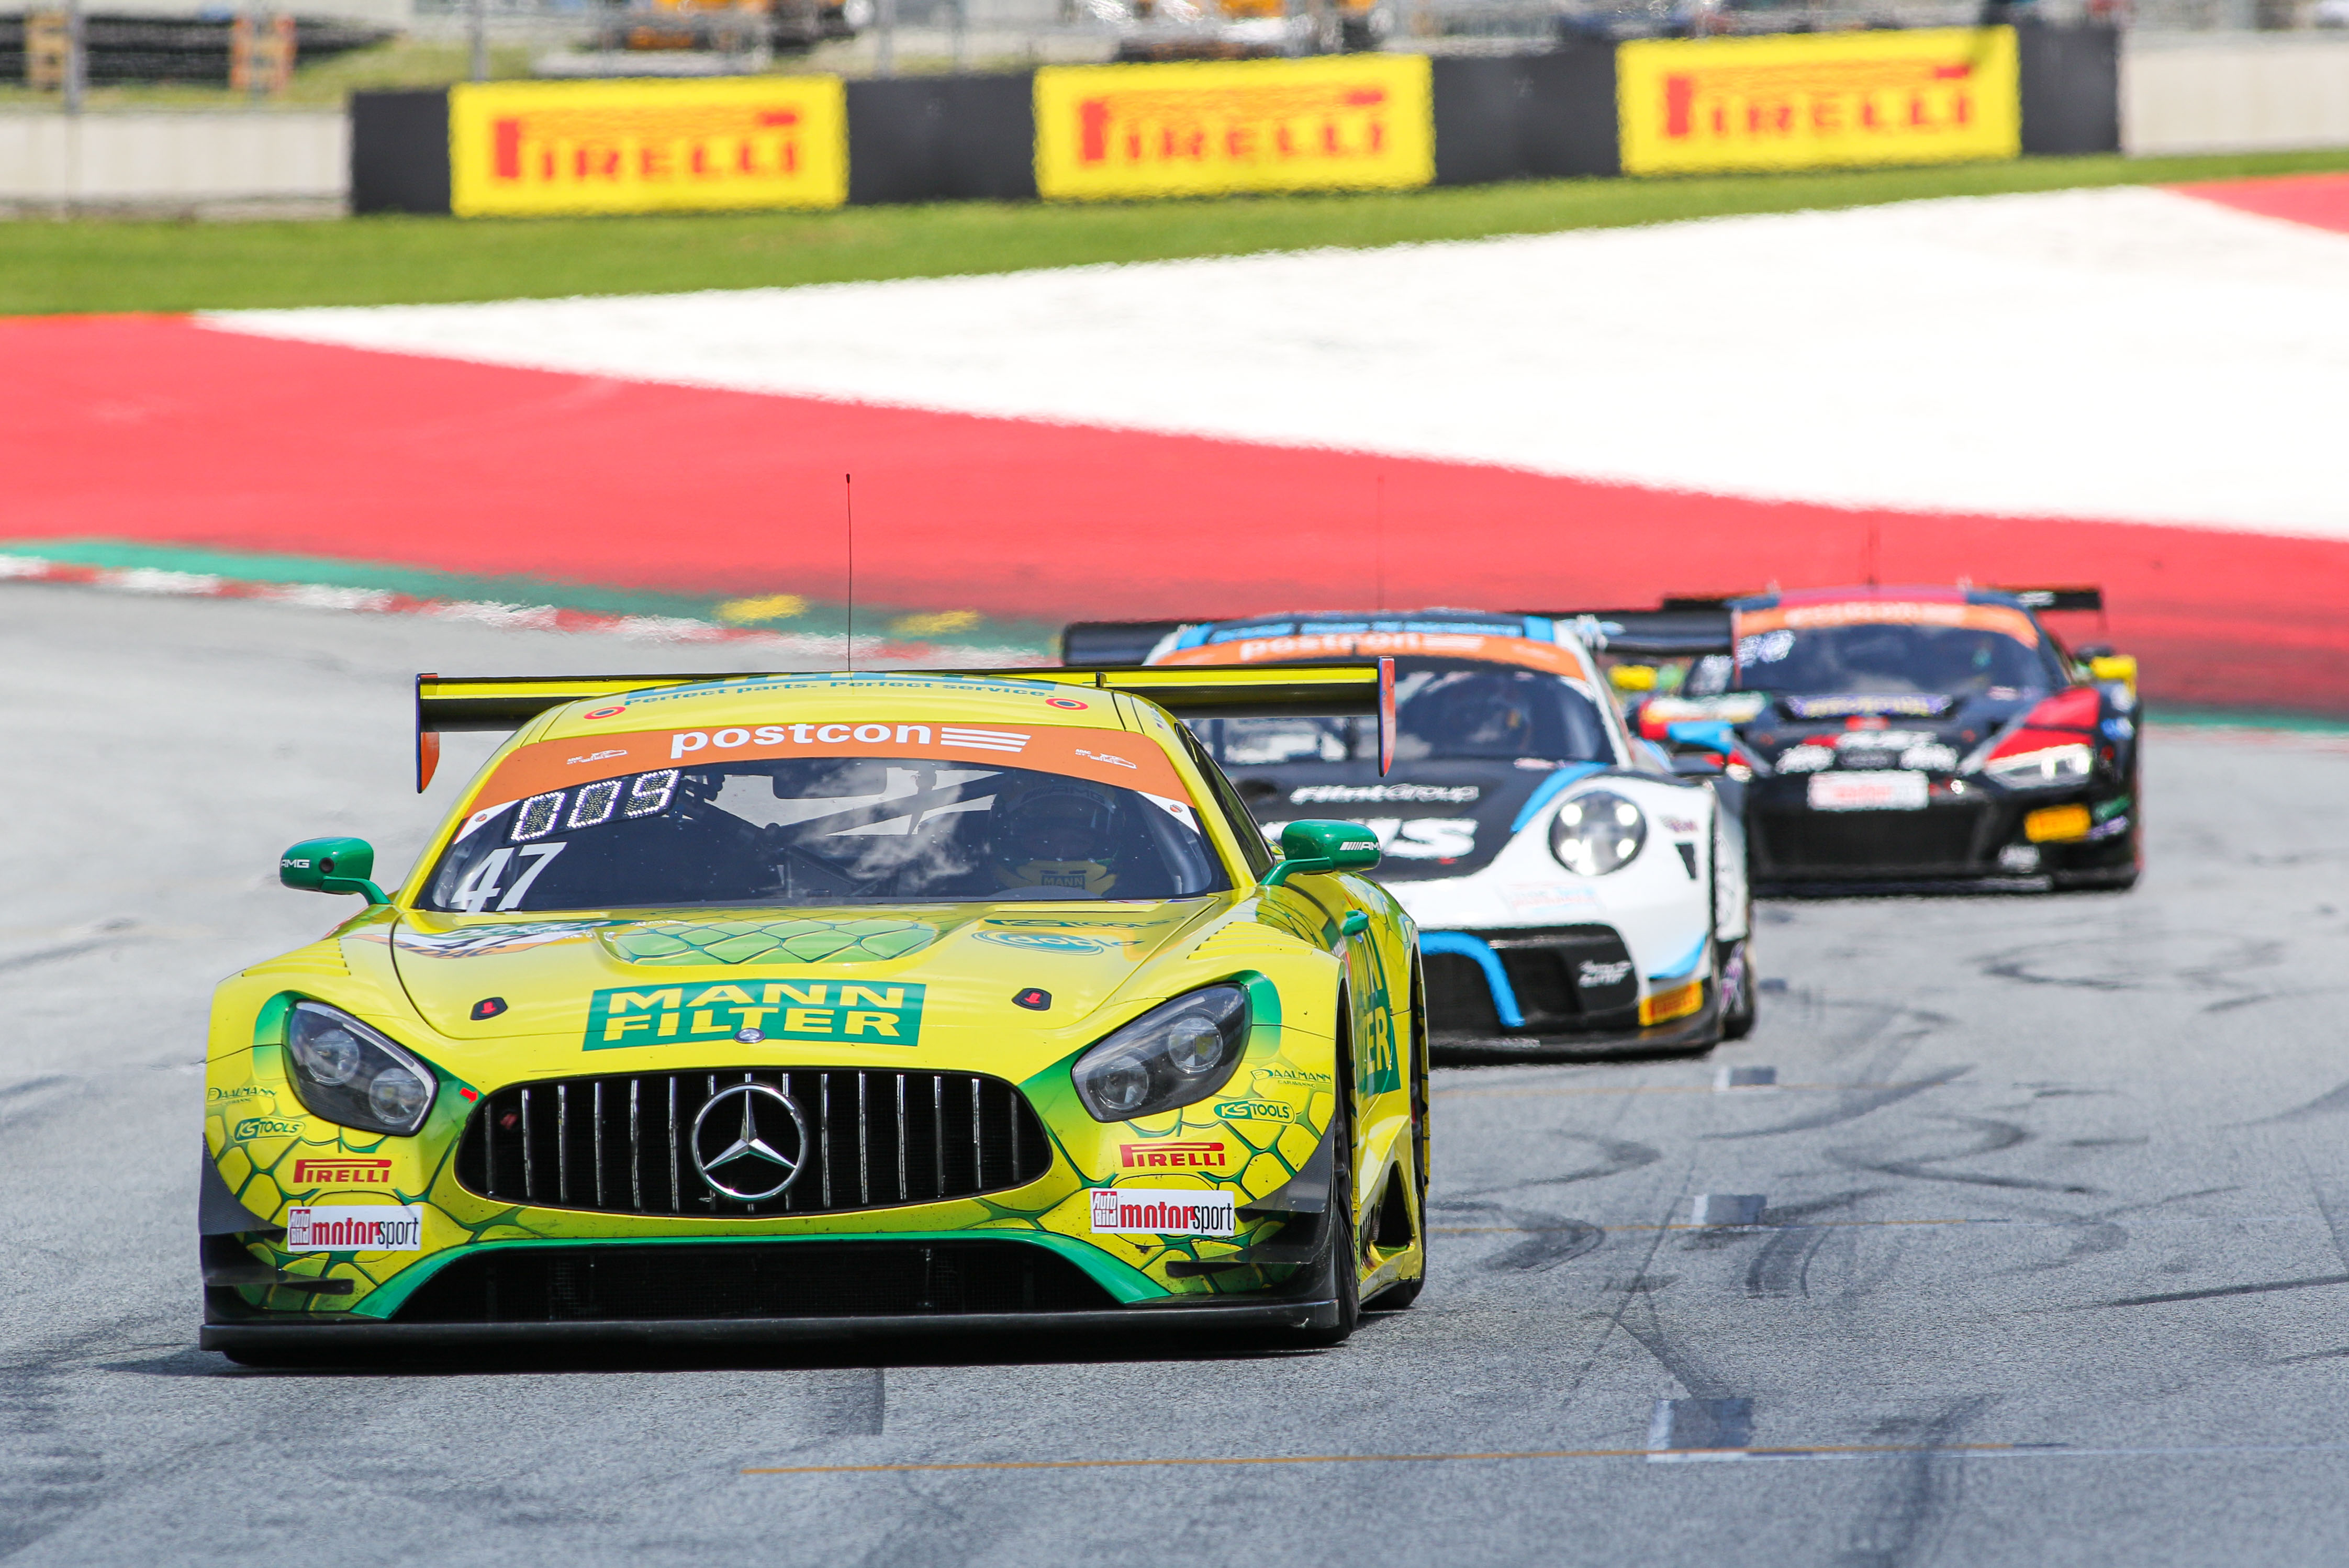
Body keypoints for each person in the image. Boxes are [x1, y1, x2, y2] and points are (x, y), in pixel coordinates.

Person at [990, 780, 1129, 894]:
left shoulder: (1137, 891)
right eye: (1043, 842)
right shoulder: (975, 888)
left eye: (1077, 842)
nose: (1060, 853)